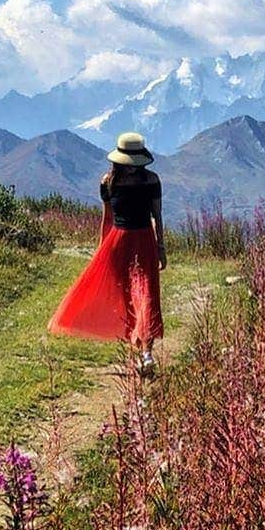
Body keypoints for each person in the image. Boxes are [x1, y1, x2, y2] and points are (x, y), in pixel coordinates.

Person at [48, 132, 166, 375]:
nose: (133, 168)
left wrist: (160, 246)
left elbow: (157, 216)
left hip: (144, 240)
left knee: (147, 295)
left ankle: (147, 353)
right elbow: (107, 218)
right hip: (117, 243)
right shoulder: (108, 182)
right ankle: (137, 353)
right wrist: (102, 249)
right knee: (125, 298)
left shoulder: (152, 180)